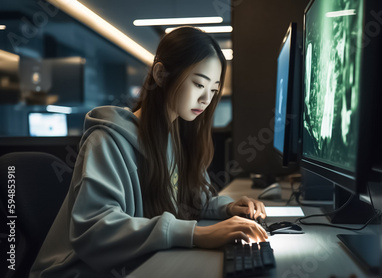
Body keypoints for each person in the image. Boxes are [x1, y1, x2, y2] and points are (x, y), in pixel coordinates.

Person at [30, 27, 268, 278]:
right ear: (161, 74)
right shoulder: (107, 140)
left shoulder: (174, 135)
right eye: (199, 84)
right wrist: (196, 234)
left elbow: (190, 197)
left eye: (214, 90)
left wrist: (228, 208)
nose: (205, 99)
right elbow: (95, 230)